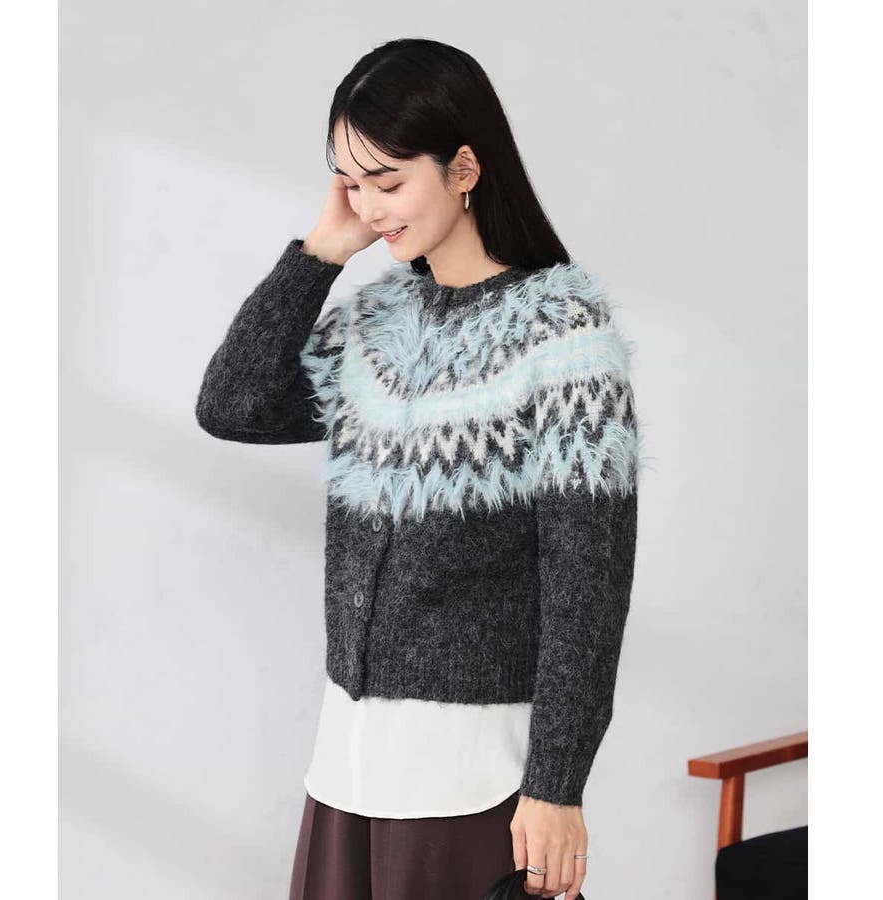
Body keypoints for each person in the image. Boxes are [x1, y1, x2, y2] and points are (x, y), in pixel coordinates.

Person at [195, 37, 643, 900]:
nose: (370, 206)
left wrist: (557, 784)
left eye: (388, 181)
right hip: (348, 763)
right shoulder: (375, 326)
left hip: (474, 777)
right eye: (350, 183)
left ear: (464, 168)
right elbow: (233, 406)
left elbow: (588, 585)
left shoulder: (565, 339)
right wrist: (321, 252)